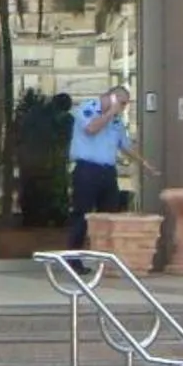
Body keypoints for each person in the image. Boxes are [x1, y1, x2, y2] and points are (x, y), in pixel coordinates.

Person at [65, 83, 159, 250]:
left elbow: (126, 146)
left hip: (107, 172)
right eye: (122, 103)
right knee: (82, 215)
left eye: (125, 104)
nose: (123, 108)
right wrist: (111, 112)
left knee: (109, 215)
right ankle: (74, 259)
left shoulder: (116, 120)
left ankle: (105, 257)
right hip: (87, 169)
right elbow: (91, 129)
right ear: (111, 97)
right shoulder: (88, 108)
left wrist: (144, 163)